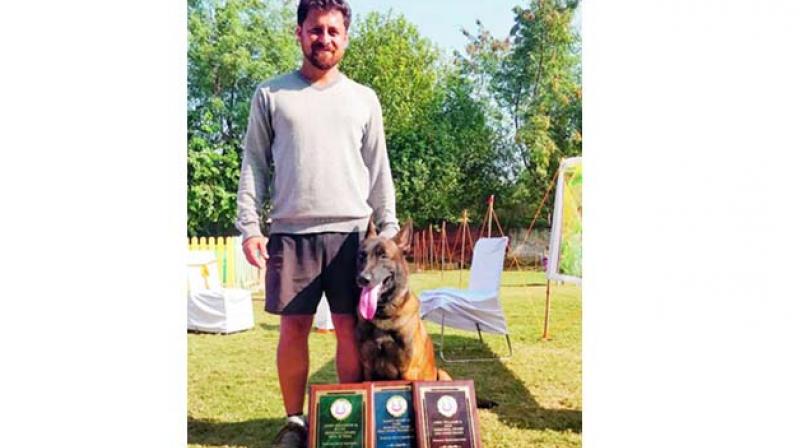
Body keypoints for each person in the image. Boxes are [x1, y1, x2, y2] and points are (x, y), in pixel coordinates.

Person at [235, 0, 398, 446]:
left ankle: (344, 420)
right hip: (290, 233)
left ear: (344, 38)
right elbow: (254, 162)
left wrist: (388, 226)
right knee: (294, 329)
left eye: (332, 31)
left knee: (348, 328)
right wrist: (250, 225)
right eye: (315, 30)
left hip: (352, 236)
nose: (323, 38)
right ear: (299, 33)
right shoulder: (271, 95)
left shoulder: (364, 99)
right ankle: (296, 420)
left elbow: (378, 166)